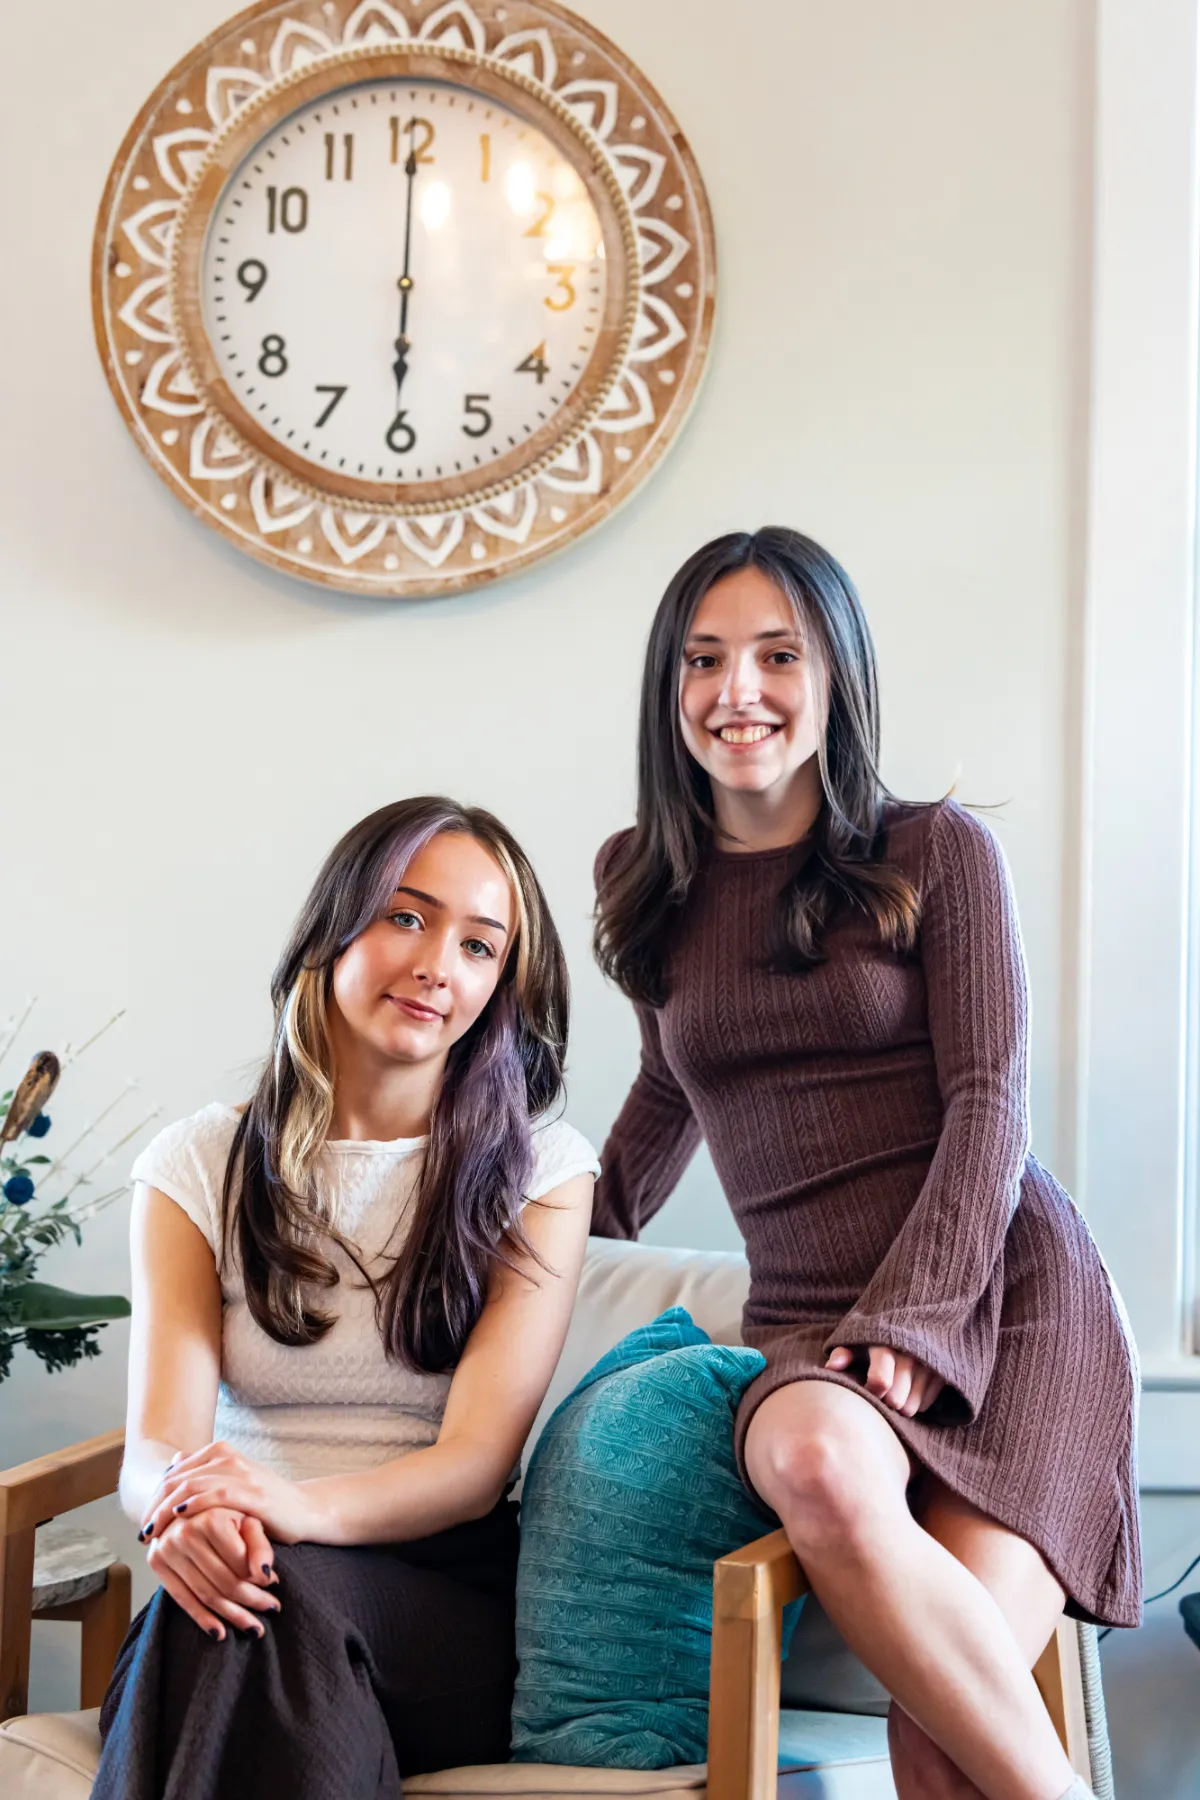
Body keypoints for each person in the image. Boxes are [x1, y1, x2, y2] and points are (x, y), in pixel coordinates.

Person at [591, 528, 1137, 1800]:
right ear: (669, 688)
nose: (740, 693)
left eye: (779, 656)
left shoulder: (937, 850)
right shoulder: (641, 879)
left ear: (836, 678)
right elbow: (674, 1083)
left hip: (1007, 1306)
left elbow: (990, 1096)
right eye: (705, 660)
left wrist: (921, 1314)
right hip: (813, 1321)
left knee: (937, 1750)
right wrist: (543, 1255)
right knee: (819, 1462)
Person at [96, 798, 599, 1800]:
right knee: (239, 1608)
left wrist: (289, 1509)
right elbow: (156, 1449)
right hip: (237, 1577)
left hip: (438, 1600)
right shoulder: (197, 1165)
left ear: (500, 986)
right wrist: (185, 1519)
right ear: (334, 927)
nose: (436, 966)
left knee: (249, 1609)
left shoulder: (541, 1171)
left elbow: (470, 1467)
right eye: (405, 917)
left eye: (478, 946)